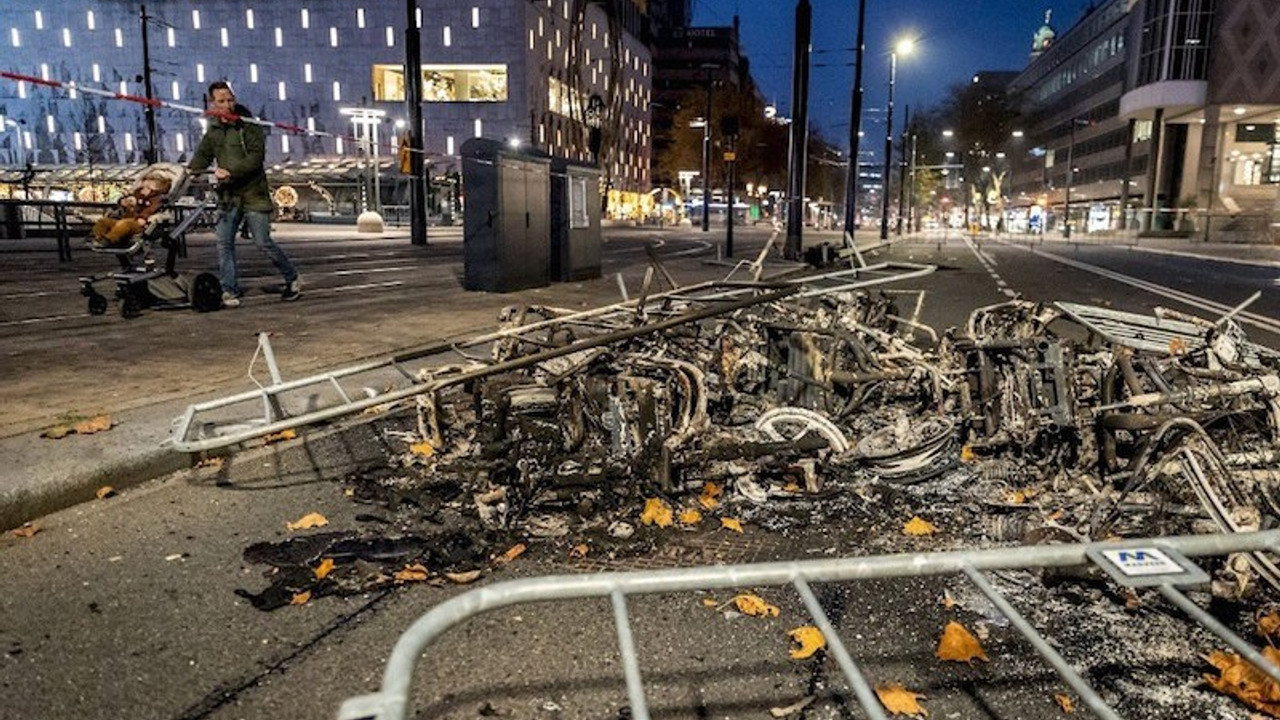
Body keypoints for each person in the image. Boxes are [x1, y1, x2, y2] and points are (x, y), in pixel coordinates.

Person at [189, 80, 301, 307]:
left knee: (262, 242)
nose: (228, 105)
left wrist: (229, 172)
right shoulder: (214, 131)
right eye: (221, 101)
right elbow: (202, 155)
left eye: (230, 99)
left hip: (253, 193)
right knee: (224, 243)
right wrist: (190, 172)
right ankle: (229, 289)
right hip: (228, 196)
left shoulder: (248, 125)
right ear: (213, 103)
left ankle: (292, 278)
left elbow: (255, 158)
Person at [91, 172, 171, 246]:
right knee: (103, 221)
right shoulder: (137, 194)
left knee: (124, 224)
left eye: (147, 188)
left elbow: (151, 210)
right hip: (125, 219)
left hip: (139, 224)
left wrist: (143, 217)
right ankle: (98, 237)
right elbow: (127, 201)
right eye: (143, 187)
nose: (143, 190)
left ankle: (109, 240)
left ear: (155, 191)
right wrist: (123, 202)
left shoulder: (156, 199)